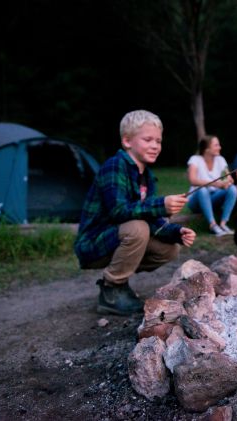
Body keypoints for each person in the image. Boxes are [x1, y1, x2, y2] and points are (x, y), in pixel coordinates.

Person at [74, 110, 196, 316]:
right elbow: (118, 211)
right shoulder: (114, 166)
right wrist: (161, 204)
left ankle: (121, 283)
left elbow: (151, 219)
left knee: (170, 250)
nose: (155, 145)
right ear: (127, 141)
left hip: (119, 239)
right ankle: (112, 290)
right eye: (148, 139)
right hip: (94, 243)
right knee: (137, 228)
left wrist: (176, 231)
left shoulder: (147, 176)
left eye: (158, 140)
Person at [186, 135, 237, 236]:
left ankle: (223, 223)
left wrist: (227, 181)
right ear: (207, 149)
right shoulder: (195, 159)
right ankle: (212, 225)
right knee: (202, 190)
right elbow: (193, 180)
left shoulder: (220, 159)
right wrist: (216, 184)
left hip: (213, 198)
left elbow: (229, 177)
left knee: (233, 189)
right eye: (216, 145)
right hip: (196, 200)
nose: (220, 147)